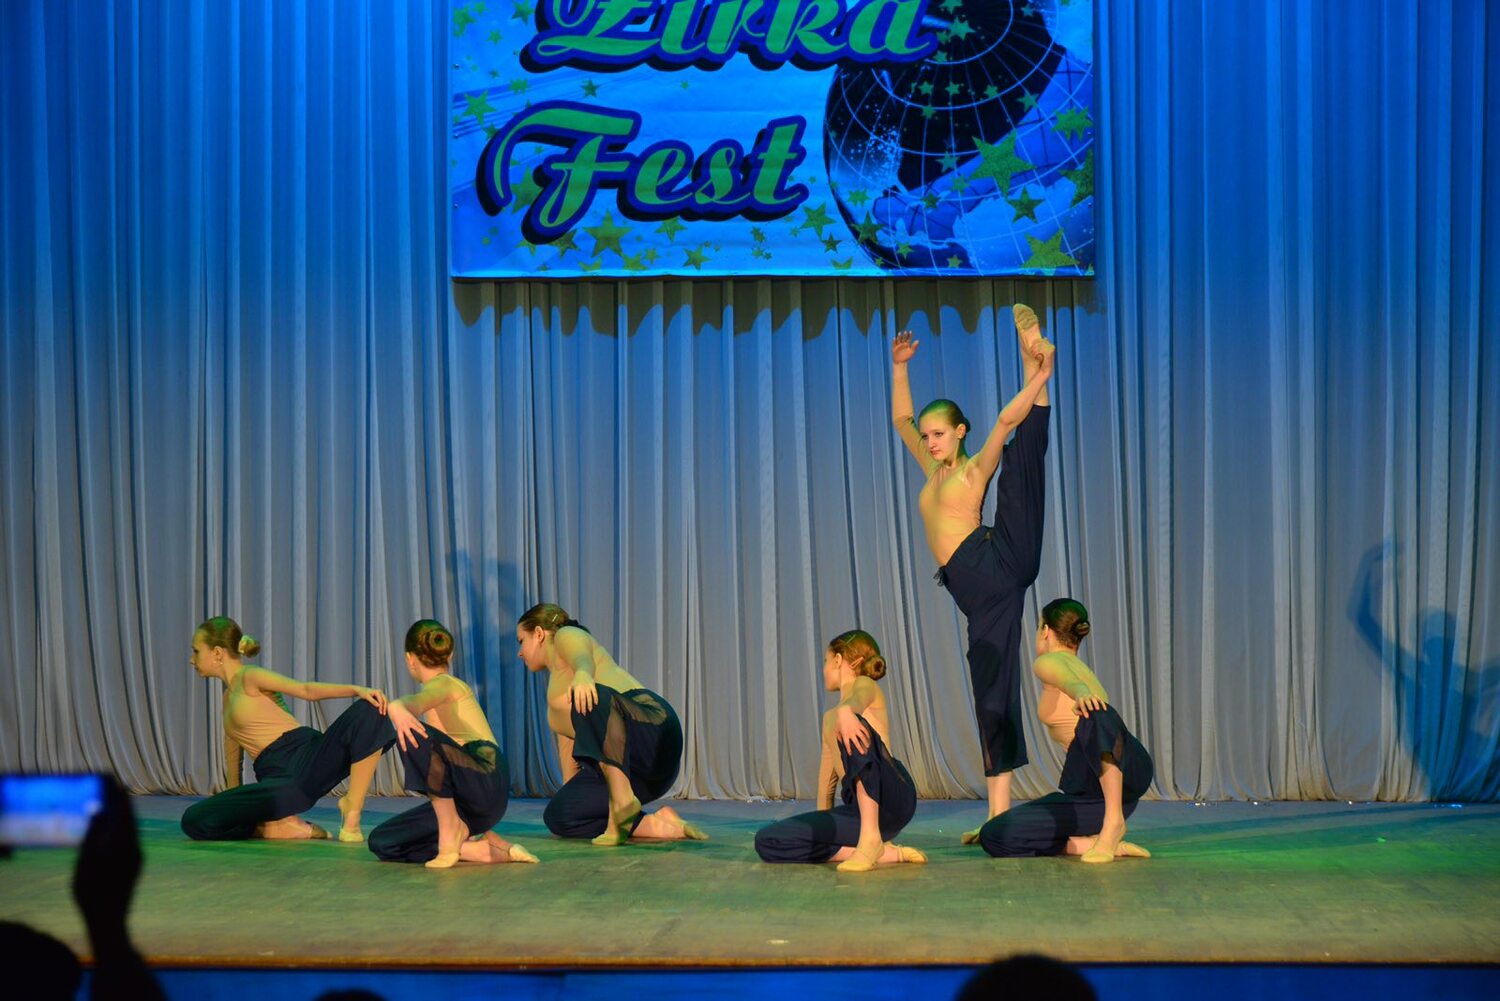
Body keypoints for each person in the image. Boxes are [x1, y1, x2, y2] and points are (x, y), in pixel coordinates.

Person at [890, 304, 1054, 841]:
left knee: (1020, 464)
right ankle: (996, 816)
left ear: (960, 433)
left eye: (940, 434)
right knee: (991, 694)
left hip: (998, 563)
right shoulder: (931, 469)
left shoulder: (971, 469)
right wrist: (900, 368)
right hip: (981, 600)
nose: (931, 442)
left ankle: (1037, 361)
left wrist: (1039, 378)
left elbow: (1005, 422)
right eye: (928, 436)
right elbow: (900, 421)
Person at [180, 616, 394, 842]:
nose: (192, 659)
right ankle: (277, 827)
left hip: (306, 757)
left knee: (373, 709)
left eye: (196, 651)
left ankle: (352, 807)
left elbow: (305, 690)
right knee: (193, 820)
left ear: (217, 653)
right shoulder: (226, 700)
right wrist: (232, 803)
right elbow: (234, 757)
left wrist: (357, 690)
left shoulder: (250, 676)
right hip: (277, 782)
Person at [978, 599, 1152, 863]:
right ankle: (1091, 843)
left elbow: (1063, 676)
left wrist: (1080, 692)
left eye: (1038, 627)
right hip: (1094, 797)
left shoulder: (1048, 661)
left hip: (1123, 777)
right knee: (995, 835)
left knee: (1095, 714)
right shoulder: (1082, 668)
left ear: (1045, 630)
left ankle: (1113, 824)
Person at [517, 603, 706, 845]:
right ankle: (656, 823)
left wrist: (583, 674)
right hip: (641, 774)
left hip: (652, 732)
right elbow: (569, 747)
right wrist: (573, 794)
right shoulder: (556, 697)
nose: (520, 652)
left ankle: (622, 802)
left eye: (521, 641)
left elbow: (581, 655)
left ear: (539, 634)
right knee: (559, 816)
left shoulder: (566, 635)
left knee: (589, 696)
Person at [754, 629, 925, 872]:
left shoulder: (865, 685)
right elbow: (827, 784)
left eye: (826, 660)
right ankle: (882, 852)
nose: (824, 668)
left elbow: (858, 700)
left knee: (850, 723)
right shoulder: (831, 719)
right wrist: (823, 828)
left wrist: (846, 712)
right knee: (768, 840)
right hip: (857, 810)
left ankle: (870, 838)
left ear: (838, 660)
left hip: (892, 798)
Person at [369, 619, 535, 867]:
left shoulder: (444, 683)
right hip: (474, 802)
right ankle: (482, 851)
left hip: (486, 775)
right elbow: (442, 771)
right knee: (383, 841)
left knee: (412, 731)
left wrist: (397, 707)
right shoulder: (440, 694)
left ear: (410, 659)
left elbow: (416, 703)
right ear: (450, 655)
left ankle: (450, 832)